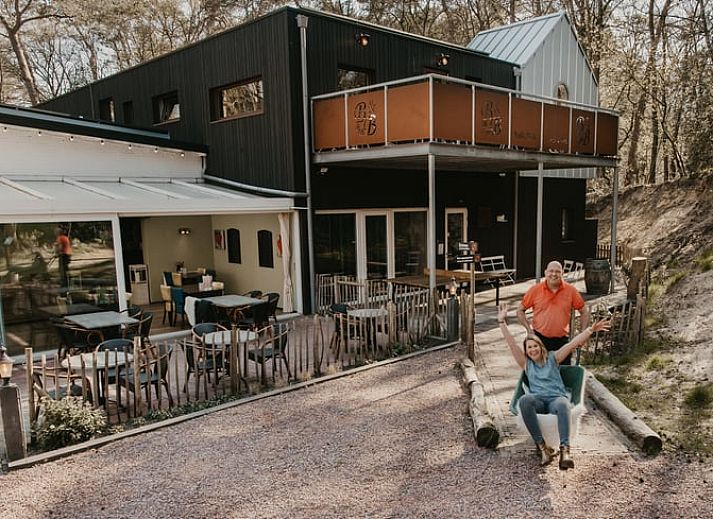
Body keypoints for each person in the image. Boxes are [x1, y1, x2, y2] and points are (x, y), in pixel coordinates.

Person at [499, 302, 610, 469]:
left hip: (554, 399)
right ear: (527, 351)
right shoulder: (526, 364)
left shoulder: (553, 358)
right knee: (524, 401)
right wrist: (502, 322)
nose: (533, 349)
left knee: (564, 403)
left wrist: (590, 330)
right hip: (538, 401)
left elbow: (572, 344)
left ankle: (565, 451)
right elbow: (511, 344)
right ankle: (542, 447)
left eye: (535, 346)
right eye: (529, 348)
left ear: (541, 347)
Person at [517, 260, 590, 365]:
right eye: (551, 271)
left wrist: (582, 333)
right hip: (539, 340)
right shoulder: (535, 290)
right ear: (545, 272)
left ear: (562, 273)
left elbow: (584, 311)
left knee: (563, 375)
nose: (554, 274)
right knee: (540, 374)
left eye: (557, 271)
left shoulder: (571, 291)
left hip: (562, 341)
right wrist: (528, 329)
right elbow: (520, 310)